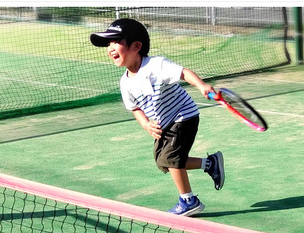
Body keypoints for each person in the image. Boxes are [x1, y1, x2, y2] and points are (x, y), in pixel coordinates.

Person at [90, 19, 224, 217]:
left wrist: (202, 86)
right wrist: (145, 124)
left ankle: (188, 200)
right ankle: (210, 164)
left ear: (136, 46)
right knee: (163, 161)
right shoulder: (125, 83)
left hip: (183, 115)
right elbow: (134, 108)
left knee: (170, 158)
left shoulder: (156, 65)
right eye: (108, 44)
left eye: (115, 42)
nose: (110, 48)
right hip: (164, 123)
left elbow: (183, 73)